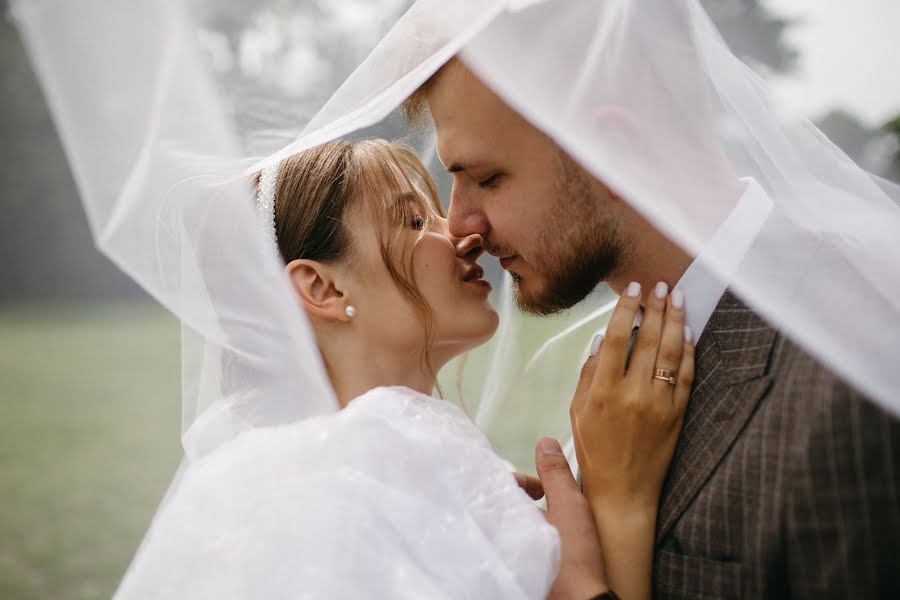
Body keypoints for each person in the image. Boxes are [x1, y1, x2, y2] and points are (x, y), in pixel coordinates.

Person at [401, 56, 900, 597]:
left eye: (487, 177)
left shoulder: (854, 379)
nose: (460, 224)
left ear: (613, 153)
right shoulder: (630, 338)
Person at [113, 138, 693, 599]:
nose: (463, 237)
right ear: (320, 285)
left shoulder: (281, 479)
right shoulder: (395, 445)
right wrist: (622, 507)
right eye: (415, 222)